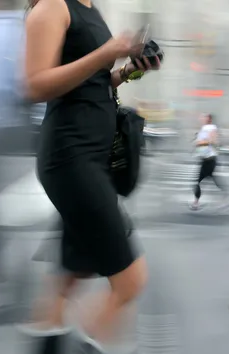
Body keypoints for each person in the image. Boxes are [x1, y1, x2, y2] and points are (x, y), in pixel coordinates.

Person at [21, 0, 160, 353]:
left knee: (72, 273)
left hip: (91, 158)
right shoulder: (53, 6)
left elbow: (96, 82)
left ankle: (46, 341)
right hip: (70, 157)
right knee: (130, 280)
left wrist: (129, 70)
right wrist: (105, 53)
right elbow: (35, 86)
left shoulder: (90, 8)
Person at [190, 113, 224, 210]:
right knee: (209, 181)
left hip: (210, 160)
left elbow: (213, 141)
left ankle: (196, 203)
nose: (202, 119)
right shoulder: (205, 128)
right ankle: (196, 202)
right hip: (206, 160)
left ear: (209, 119)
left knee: (199, 182)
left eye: (204, 117)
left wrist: (200, 142)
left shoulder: (211, 128)